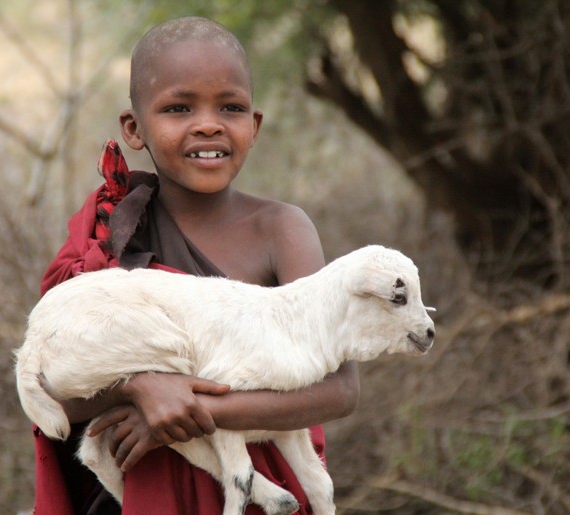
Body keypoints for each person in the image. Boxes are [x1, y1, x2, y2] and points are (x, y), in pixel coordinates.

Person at [32, 16, 360, 515]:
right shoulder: (112, 237)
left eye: (230, 107)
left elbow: (338, 389)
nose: (208, 124)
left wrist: (195, 409)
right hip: (140, 494)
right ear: (133, 128)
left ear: (254, 125)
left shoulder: (280, 231)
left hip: (266, 491)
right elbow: (55, 389)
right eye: (178, 107)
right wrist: (142, 388)